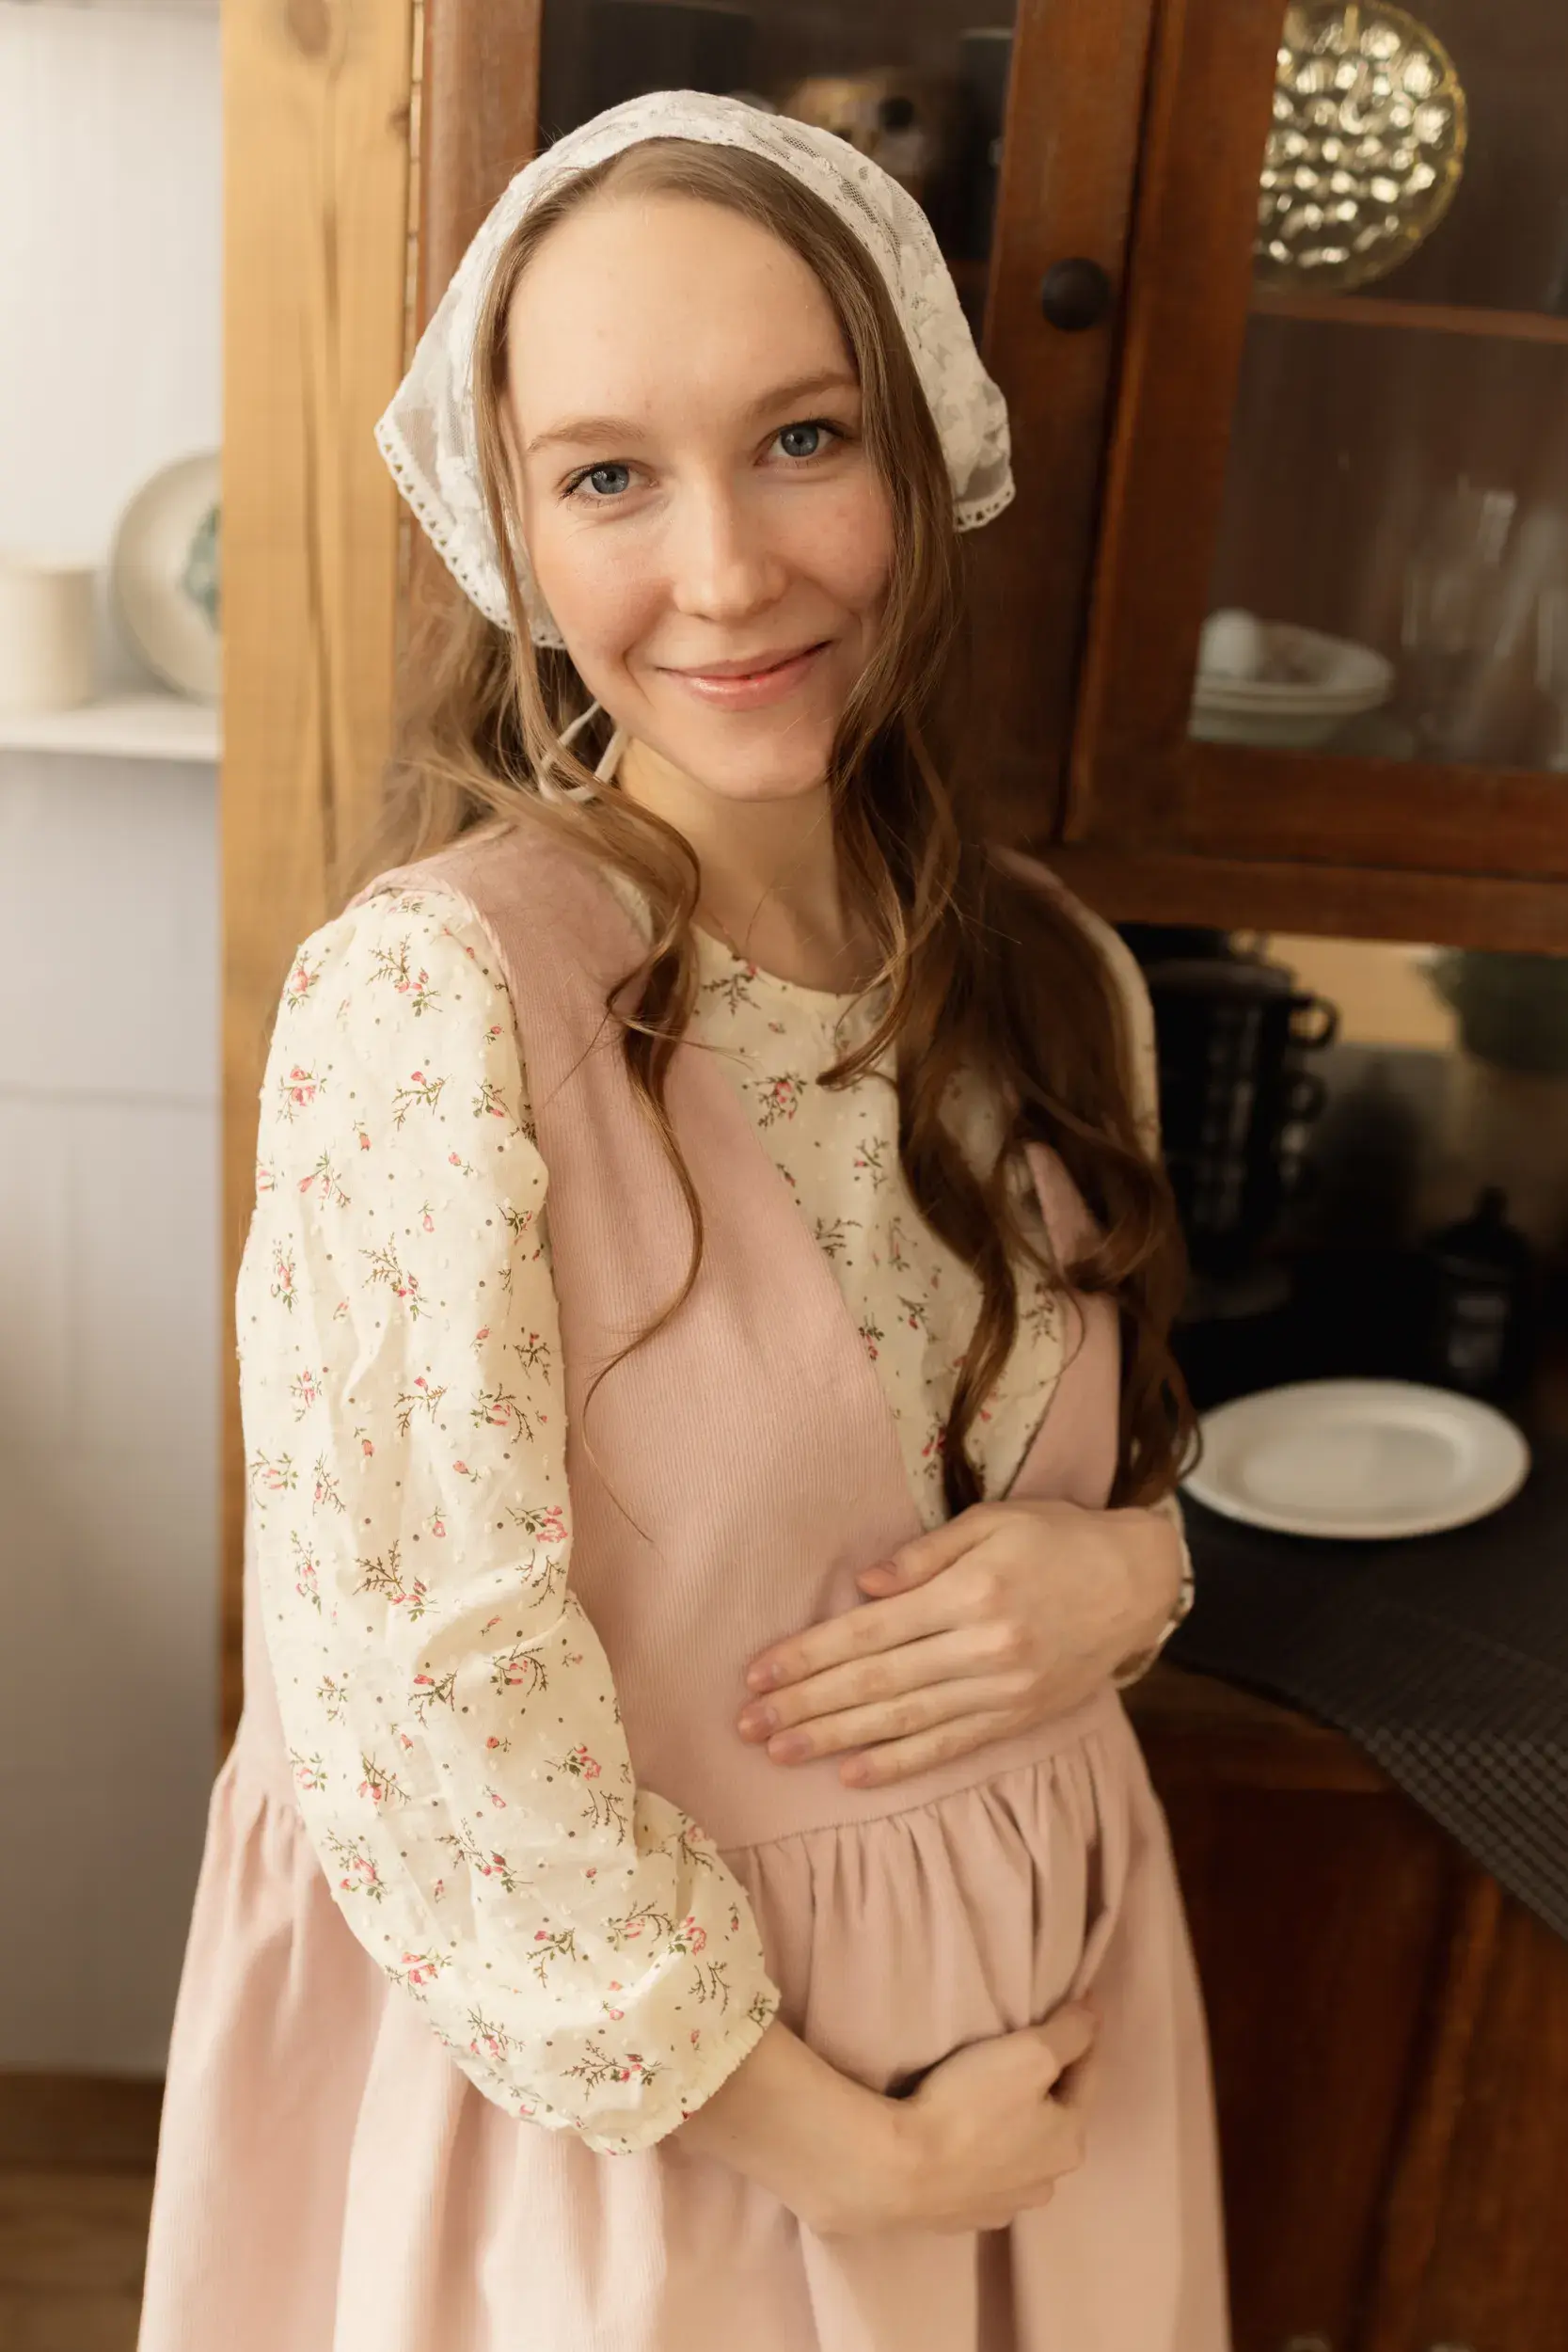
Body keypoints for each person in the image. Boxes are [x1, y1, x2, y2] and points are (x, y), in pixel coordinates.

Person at [137, 89, 1229, 2352]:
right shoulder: (439, 1002)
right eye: (609, 476)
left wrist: (1137, 1571)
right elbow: (413, 1714)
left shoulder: (1054, 973)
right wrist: (870, 2156)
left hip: (1061, 2056)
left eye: (800, 439)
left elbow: (1087, 1472)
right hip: (676, 2151)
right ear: (511, 531)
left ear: (915, 453)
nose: (724, 573)